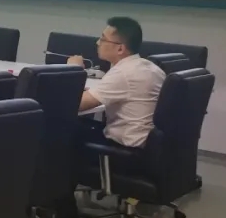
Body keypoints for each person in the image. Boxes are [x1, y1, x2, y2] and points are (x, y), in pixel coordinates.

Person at [69, 16, 166, 149]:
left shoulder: (123, 73)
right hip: (149, 143)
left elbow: (74, 105)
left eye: (103, 39)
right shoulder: (151, 67)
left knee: (63, 129)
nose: (98, 42)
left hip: (127, 145)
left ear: (120, 49)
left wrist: (74, 70)